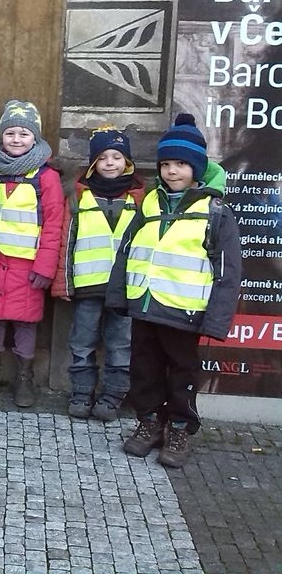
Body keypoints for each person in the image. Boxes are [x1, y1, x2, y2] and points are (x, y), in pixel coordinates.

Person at [108, 114, 241, 468]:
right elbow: (127, 251)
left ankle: (180, 428)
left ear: (197, 167)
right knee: (144, 369)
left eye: (181, 164)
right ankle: (150, 421)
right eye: (166, 164)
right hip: (145, 305)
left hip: (184, 312)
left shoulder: (215, 211)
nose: (171, 171)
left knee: (182, 373)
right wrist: (119, 297)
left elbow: (227, 272)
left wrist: (216, 320)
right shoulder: (150, 203)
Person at [0, 100, 63, 408]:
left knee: (26, 323)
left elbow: (53, 224)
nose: (16, 139)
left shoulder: (46, 177)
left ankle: (24, 377)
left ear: (35, 138)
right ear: (1, 135)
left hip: (28, 265)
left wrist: (45, 267)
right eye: (10, 133)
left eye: (24, 133)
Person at [52, 126, 145, 421]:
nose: (109, 163)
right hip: (87, 287)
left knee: (121, 345)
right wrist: (64, 283)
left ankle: (113, 395)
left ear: (127, 162)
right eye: (102, 157)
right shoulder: (79, 196)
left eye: (116, 157)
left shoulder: (141, 199)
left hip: (125, 290)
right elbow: (66, 241)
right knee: (82, 342)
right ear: (93, 163)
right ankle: (82, 392)